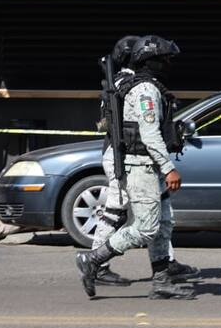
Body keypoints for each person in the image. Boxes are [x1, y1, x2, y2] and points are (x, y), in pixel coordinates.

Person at [76, 35, 194, 299]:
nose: (167, 64)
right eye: (163, 60)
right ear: (149, 61)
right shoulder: (145, 91)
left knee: (164, 222)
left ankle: (162, 280)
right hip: (141, 166)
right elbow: (149, 134)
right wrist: (168, 168)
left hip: (147, 164)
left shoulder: (144, 85)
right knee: (146, 227)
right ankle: (93, 259)